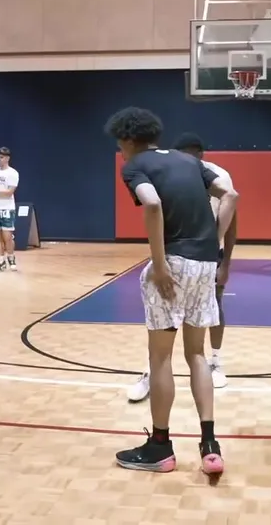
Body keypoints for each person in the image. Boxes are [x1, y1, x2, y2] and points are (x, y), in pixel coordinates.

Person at [107, 107, 237, 476]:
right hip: (204, 264)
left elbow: (151, 203)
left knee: (161, 358)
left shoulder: (135, 166)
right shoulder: (190, 161)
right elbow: (231, 194)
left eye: (120, 144)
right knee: (196, 354)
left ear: (128, 140)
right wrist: (214, 239)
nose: (120, 151)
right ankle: (209, 446)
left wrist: (159, 263)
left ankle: (160, 447)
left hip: (173, 264)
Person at [127, 132, 236, 402]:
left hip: (207, 255)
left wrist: (224, 259)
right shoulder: (169, 172)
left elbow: (232, 210)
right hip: (174, 253)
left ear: (200, 156)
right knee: (162, 321)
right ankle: (152, 371)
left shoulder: (217, 175)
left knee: (212, 310)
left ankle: (216, 362)